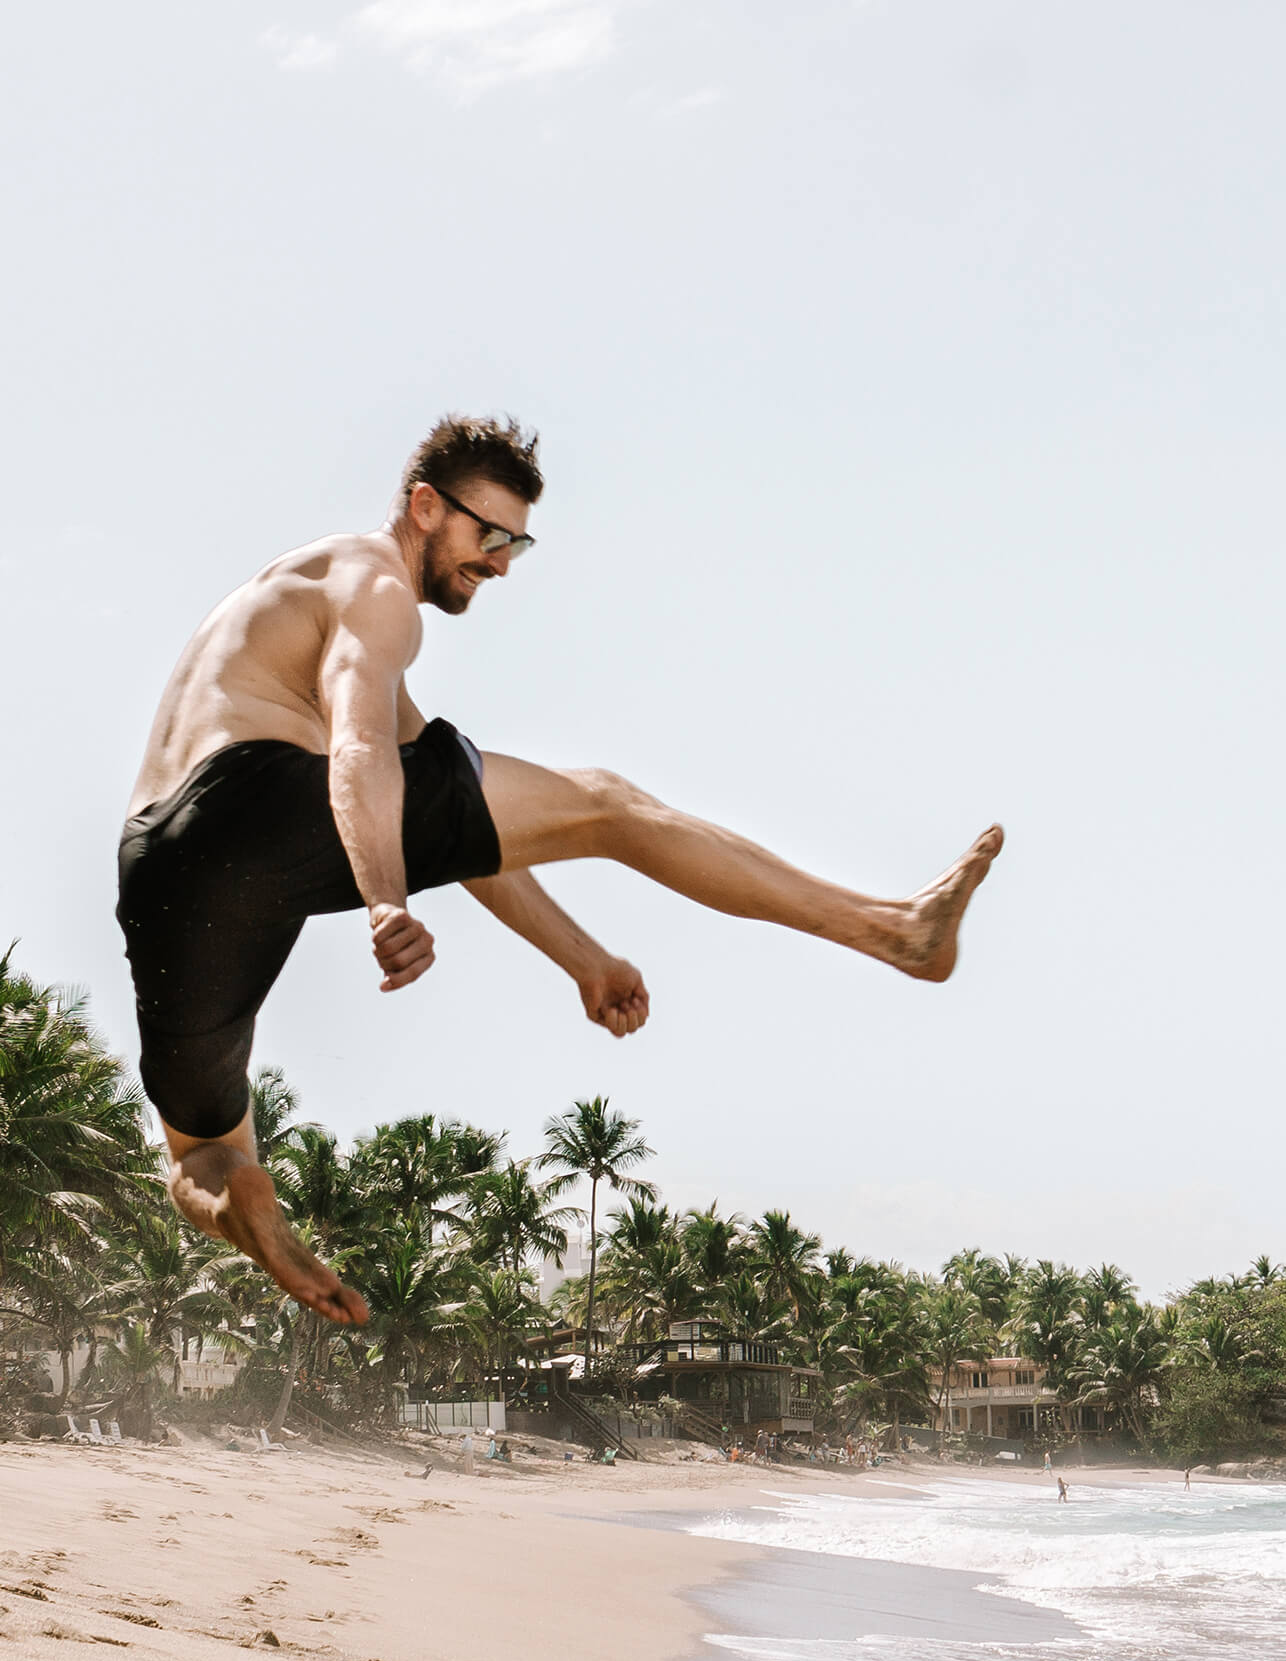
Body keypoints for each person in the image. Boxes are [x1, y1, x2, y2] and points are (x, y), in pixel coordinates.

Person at [119, 416, 1004, 1321]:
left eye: (517, 543)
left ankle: (240, 1205)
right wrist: (386, 904)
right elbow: (356, 753)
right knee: (609, 805)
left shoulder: (297, 596)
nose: (499, 562)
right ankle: (892, 932)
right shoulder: (374, 586)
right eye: (486, 534)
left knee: (198, 1150)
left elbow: (458, 832)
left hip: (158, 866)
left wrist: (581, 959)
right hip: (252, 799)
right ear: (424, 505)